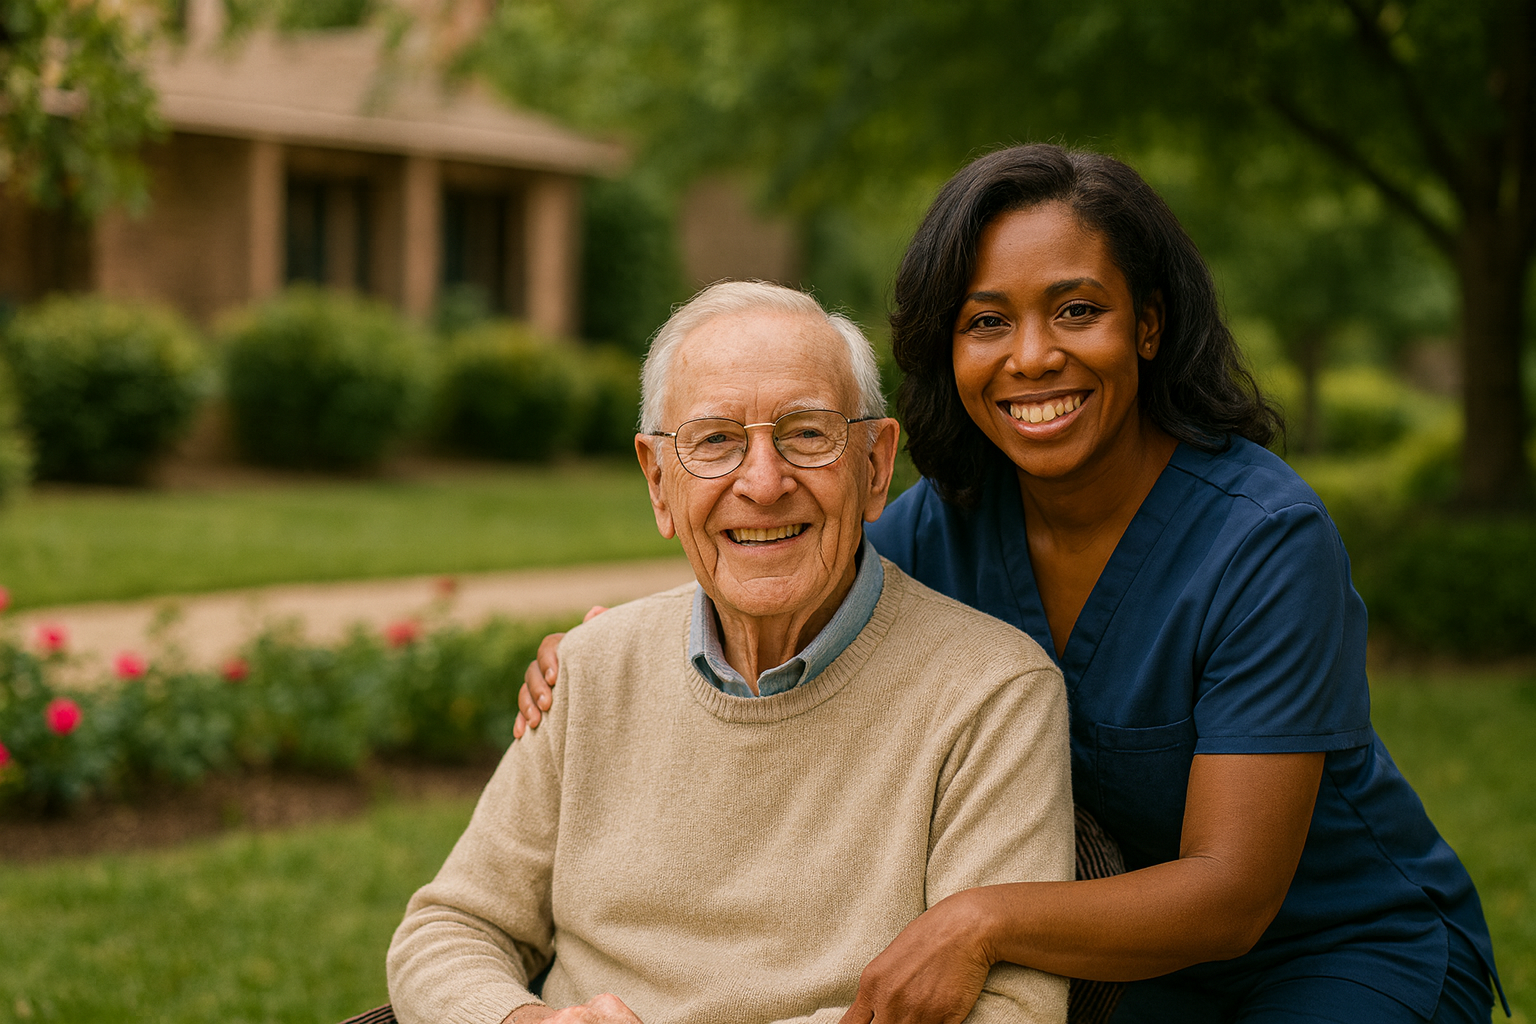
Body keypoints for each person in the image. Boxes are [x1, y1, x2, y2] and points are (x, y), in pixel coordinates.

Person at [515, 147, 1508, 1024]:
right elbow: (779, 577)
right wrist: (605, 651)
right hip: (1119, 971)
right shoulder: (938, 528)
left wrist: (981, 919)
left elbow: (1233, 894)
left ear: (1148, 325)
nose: (1033, 356)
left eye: (1078, 310)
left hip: (1337, 947)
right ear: (949, 349)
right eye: (987, 320)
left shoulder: (1263, 540)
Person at [388, 281, 1076, 1024]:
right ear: (658, 482)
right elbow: (450, 929)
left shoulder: (993, 692)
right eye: (714, 441)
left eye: (807, 434)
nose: (763, 482)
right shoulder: (588, 670)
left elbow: (1014, 1009)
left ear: (875, 466)